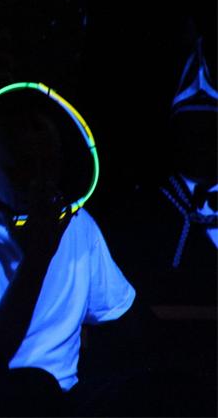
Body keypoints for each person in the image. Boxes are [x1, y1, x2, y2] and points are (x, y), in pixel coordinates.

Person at [0, 84, 136, 414]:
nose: (38, 180)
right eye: (22, 166)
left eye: (49, 165)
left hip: (68, 403)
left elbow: (121, 317)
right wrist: (37, 259)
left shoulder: (78, 225)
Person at [98, 32, 217, 416]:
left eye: (210, 127)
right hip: (161, 364)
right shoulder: (143, 209)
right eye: (192, 127)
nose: (202, 139)